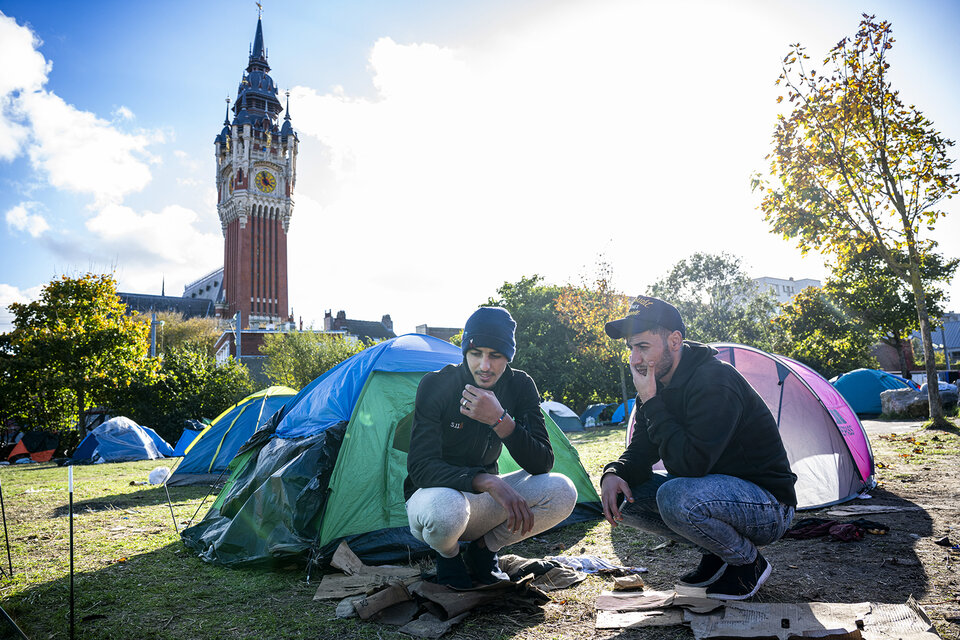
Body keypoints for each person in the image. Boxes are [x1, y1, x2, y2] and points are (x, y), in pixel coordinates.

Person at [600, 295, 797, 600]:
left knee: (675, 494)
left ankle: (748, 563)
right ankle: (717, 552)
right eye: (631, 348)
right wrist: (614, 472)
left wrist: (652, 401)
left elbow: (691, 465)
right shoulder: (656, 382)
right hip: (715, 496)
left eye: (643, 347)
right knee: (627, 495)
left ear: (675, 341)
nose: (635, 359)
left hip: (768, 506)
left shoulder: (714, 380)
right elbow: (641, 449)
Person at [405, 307, 578, 588]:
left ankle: (483, 551)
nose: (484, 365)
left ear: (508, 357)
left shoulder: (520, 385)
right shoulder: (437, 384)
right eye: (476, 354)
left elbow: (542, 463)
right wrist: (487, 481)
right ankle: (448, 556)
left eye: (495, 355)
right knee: (447, 510)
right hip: (434, 500)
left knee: (562, 490)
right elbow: (420, 468)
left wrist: (500, 420)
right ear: (465, 353)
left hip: (480, 505)